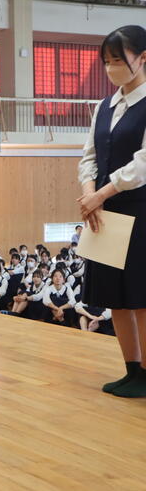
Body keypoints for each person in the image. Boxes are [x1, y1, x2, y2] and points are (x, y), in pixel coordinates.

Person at [77, 25, 146, 397]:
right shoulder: (104, 106)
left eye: (118, 60)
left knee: (142, 299)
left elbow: (143, 164)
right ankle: (131, 370)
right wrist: (89, 192)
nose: (110, 68)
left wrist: (101, 193)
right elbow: (89, 155)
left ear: (143, 58)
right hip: (103, 210)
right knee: (116, 298)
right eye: (106, 61)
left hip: (139, 209)